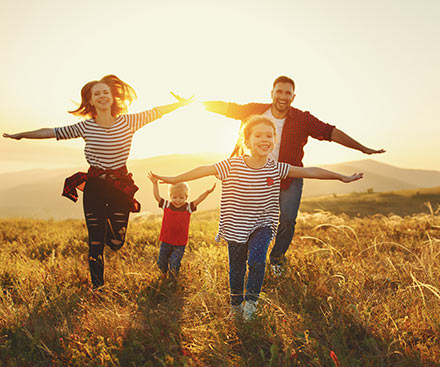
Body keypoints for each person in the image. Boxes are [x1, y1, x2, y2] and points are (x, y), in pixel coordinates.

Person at [151, 115, 363, 320]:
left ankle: (251, 304)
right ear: (247, 141)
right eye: (259, 135)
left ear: (274, 140)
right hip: (235, 226)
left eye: (269, 136)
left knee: (257, 260)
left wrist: (340, 177)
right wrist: (173, 179)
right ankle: (236, 306)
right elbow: (203, 170)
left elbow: (310, 171)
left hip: (263, 225)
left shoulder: (276, 168)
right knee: (236, 268)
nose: (264, 139)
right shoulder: (231, 165)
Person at [173, 76, 384, 274]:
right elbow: (227, 108)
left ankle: (276, 259)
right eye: (279, 92)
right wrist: (192, 103)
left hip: (288, 176)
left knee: (288, 220)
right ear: (272, 93)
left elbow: (331, 132)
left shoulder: (302, 119)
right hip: (254, 175)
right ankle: (250, 256)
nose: (283, 97)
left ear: (293, 97)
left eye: (288, 93)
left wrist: (362, 148)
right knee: (250, 218)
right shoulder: (255, 111)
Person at [3, 74, 189, 289]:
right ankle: (97, 288)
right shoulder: (85, 127)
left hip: (120, 187)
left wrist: (181, 104)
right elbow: (51, 132)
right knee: (95, 243)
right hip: (95, 187)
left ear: (112, 97)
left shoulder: (129, 121)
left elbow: (156, 112)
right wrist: (21, 135)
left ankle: (107, 233)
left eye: (105, 92)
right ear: (90, 101)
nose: (101, 96)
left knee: (116, 242)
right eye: (96, 93)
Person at [147, 173, 215, 278]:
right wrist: (155, 183)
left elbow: (198, 200)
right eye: (174, 197)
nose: (177, 200)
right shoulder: (167, 205)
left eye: (181, 197)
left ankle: (173, 281)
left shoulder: (188, 207)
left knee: (174, 264)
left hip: (180, 243)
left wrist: (207, 192)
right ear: (170, 197)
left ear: (186, 197)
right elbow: (157, 196)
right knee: (161, 262)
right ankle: (164, 277)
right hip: (166, 241)